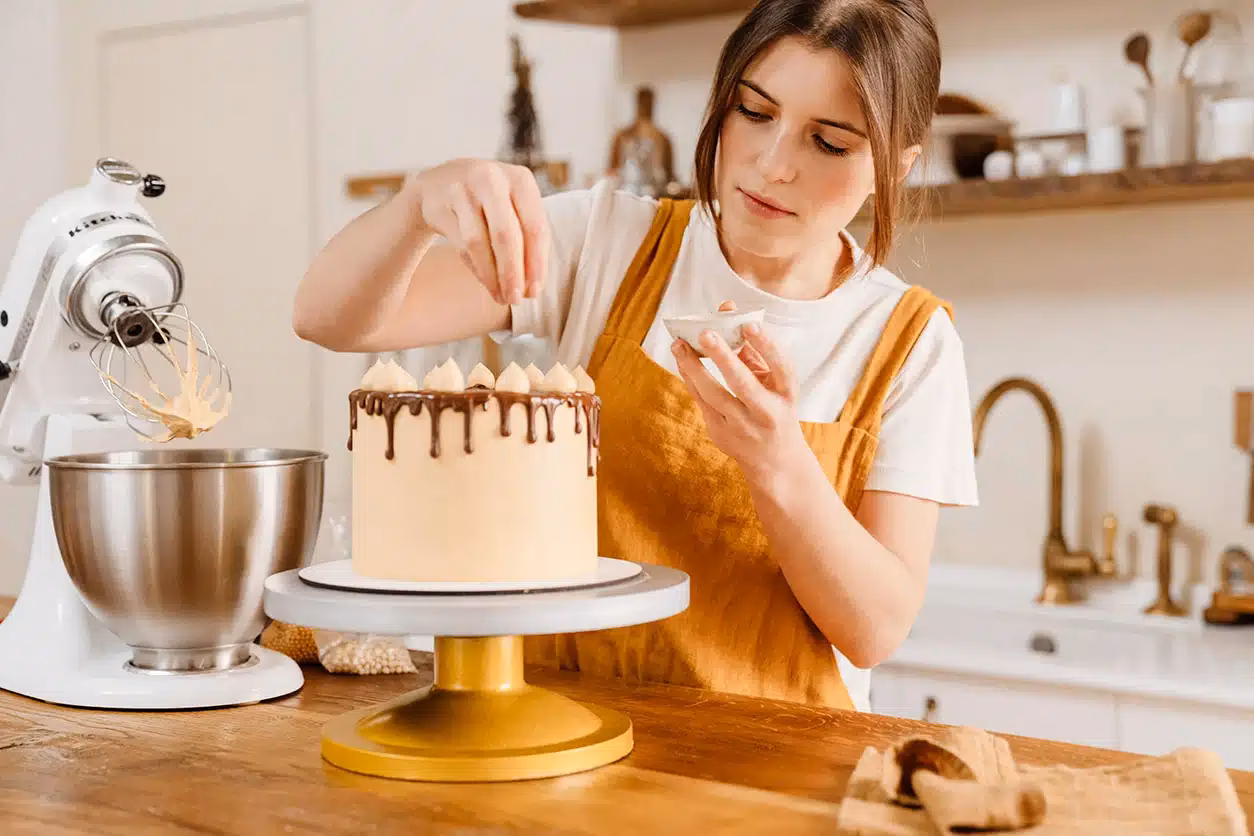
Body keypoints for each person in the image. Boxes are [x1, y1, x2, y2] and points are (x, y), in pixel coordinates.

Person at [292, 0, 979, 713]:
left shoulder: (908, 341)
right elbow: (325, 317)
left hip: (775, 766)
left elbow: (874, 630)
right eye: (753, 112)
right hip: (555, 742)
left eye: (829, 144)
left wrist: (777, 462)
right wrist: (414, 208)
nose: (774, 164)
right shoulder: (609, 242)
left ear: (897, 166)